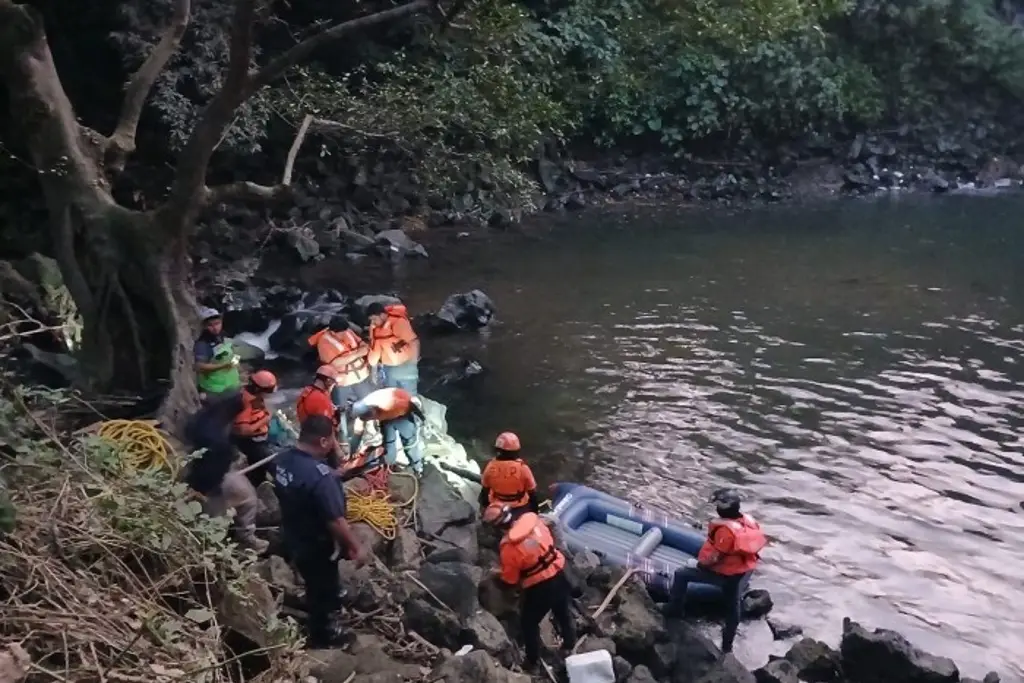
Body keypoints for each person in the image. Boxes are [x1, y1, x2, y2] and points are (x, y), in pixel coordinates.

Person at [274, 415, 369, 648]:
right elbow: (335, 521)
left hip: (293, 531)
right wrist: (354, 547)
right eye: (333, 439)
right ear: (324, 441)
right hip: (316, 541)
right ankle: (324, 633)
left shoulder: (282, 459)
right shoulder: (322, 478)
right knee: (321, 585)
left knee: (317, 578)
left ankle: (332, 595)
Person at [661, 488, 767, 654]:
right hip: (742, 571)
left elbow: (716, 558)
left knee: (682, 574)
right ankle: (727, 645)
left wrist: (700, 565)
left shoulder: (726, 531)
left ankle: (675, 609)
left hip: (726, 574)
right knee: (733, 605)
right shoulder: (747, 521)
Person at [483, 503, 576, 670]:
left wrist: (496, 573)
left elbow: (509, 581)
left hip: (541, 586)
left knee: (528, 623)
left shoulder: (509, 548)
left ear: (496, 527)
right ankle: (569, 643)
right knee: (562, 611)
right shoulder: (536, 523)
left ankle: (532, 661)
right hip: (561, 572)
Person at [184, 391, 268, 553]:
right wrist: (206, 491)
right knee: (247, 498)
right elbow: (214, 471)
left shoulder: (205, 417)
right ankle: (243, 539)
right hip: (209, 480)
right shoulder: (220, 443)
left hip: (197, 465)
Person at [307, 319, 373, 443]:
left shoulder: (348, 331)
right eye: (341, 333)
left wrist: (359, 350)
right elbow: (333, 363)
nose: (344, 334)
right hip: (342, 381)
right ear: (332, 332)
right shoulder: (324, 342)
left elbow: (363, 344)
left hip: (361, 375)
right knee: (341, 410)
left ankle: (370, 430)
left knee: (367, 402)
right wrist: (357, 354)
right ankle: (343, 436)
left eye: (345, 331)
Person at [349, 387, 424, 476]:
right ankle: (389, 464)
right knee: (389, 444)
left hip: (402, 415)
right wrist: (352, 451)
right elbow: (358, 433)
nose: (371, 419)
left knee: (410, 443)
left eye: (372, 417)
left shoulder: (391, 403)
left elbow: (411, 405)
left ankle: (417, 468)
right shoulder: (362, 410)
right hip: (387, 417)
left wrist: (420, 417)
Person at [232, 370, 278, 489]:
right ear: (259, 389)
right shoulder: (248, 402)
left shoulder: (249, 395)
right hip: (252, 442)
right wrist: (265, 420)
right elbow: (243, 430)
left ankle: (256, 481)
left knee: (257, 467)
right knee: (271, 464)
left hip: (257, 440)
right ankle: (257, 485)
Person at [479, 432, 539, 520]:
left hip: (496, 506)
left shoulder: (490, 466)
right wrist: (535, 512)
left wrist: (485, 507)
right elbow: (532, 492)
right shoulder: (523, 468)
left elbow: (485, 491)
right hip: (519, 507)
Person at [296, 365, 348, 467]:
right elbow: (326, 428)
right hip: (321, 442)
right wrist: (338, 451)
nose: (333, 386)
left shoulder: (307, 391)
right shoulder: (320, 400)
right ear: (328, 381)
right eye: (333, 383)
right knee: (331, 468)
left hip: (307, 434)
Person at [366, 302, 420, 394]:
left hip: (405, 365)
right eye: (371, 320)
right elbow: (374, 348)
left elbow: (414, 342)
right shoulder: (375, 328)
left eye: (374, 319)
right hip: (387, 368)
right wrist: (374, 372)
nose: (372, 323)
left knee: (410, 395)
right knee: (393, 395)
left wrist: (413, 364)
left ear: (382, 315)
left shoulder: (398, 322)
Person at [194, 307, 241, 398]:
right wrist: (224, 366)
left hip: (231, 385)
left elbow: (232, 350)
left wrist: (236, 360)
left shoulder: (223, 336)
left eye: (217, 323)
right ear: (204, 326)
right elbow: (199, 367)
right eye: (210, 325)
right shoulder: (203, 344)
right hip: (214, 390)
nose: (215, 328)